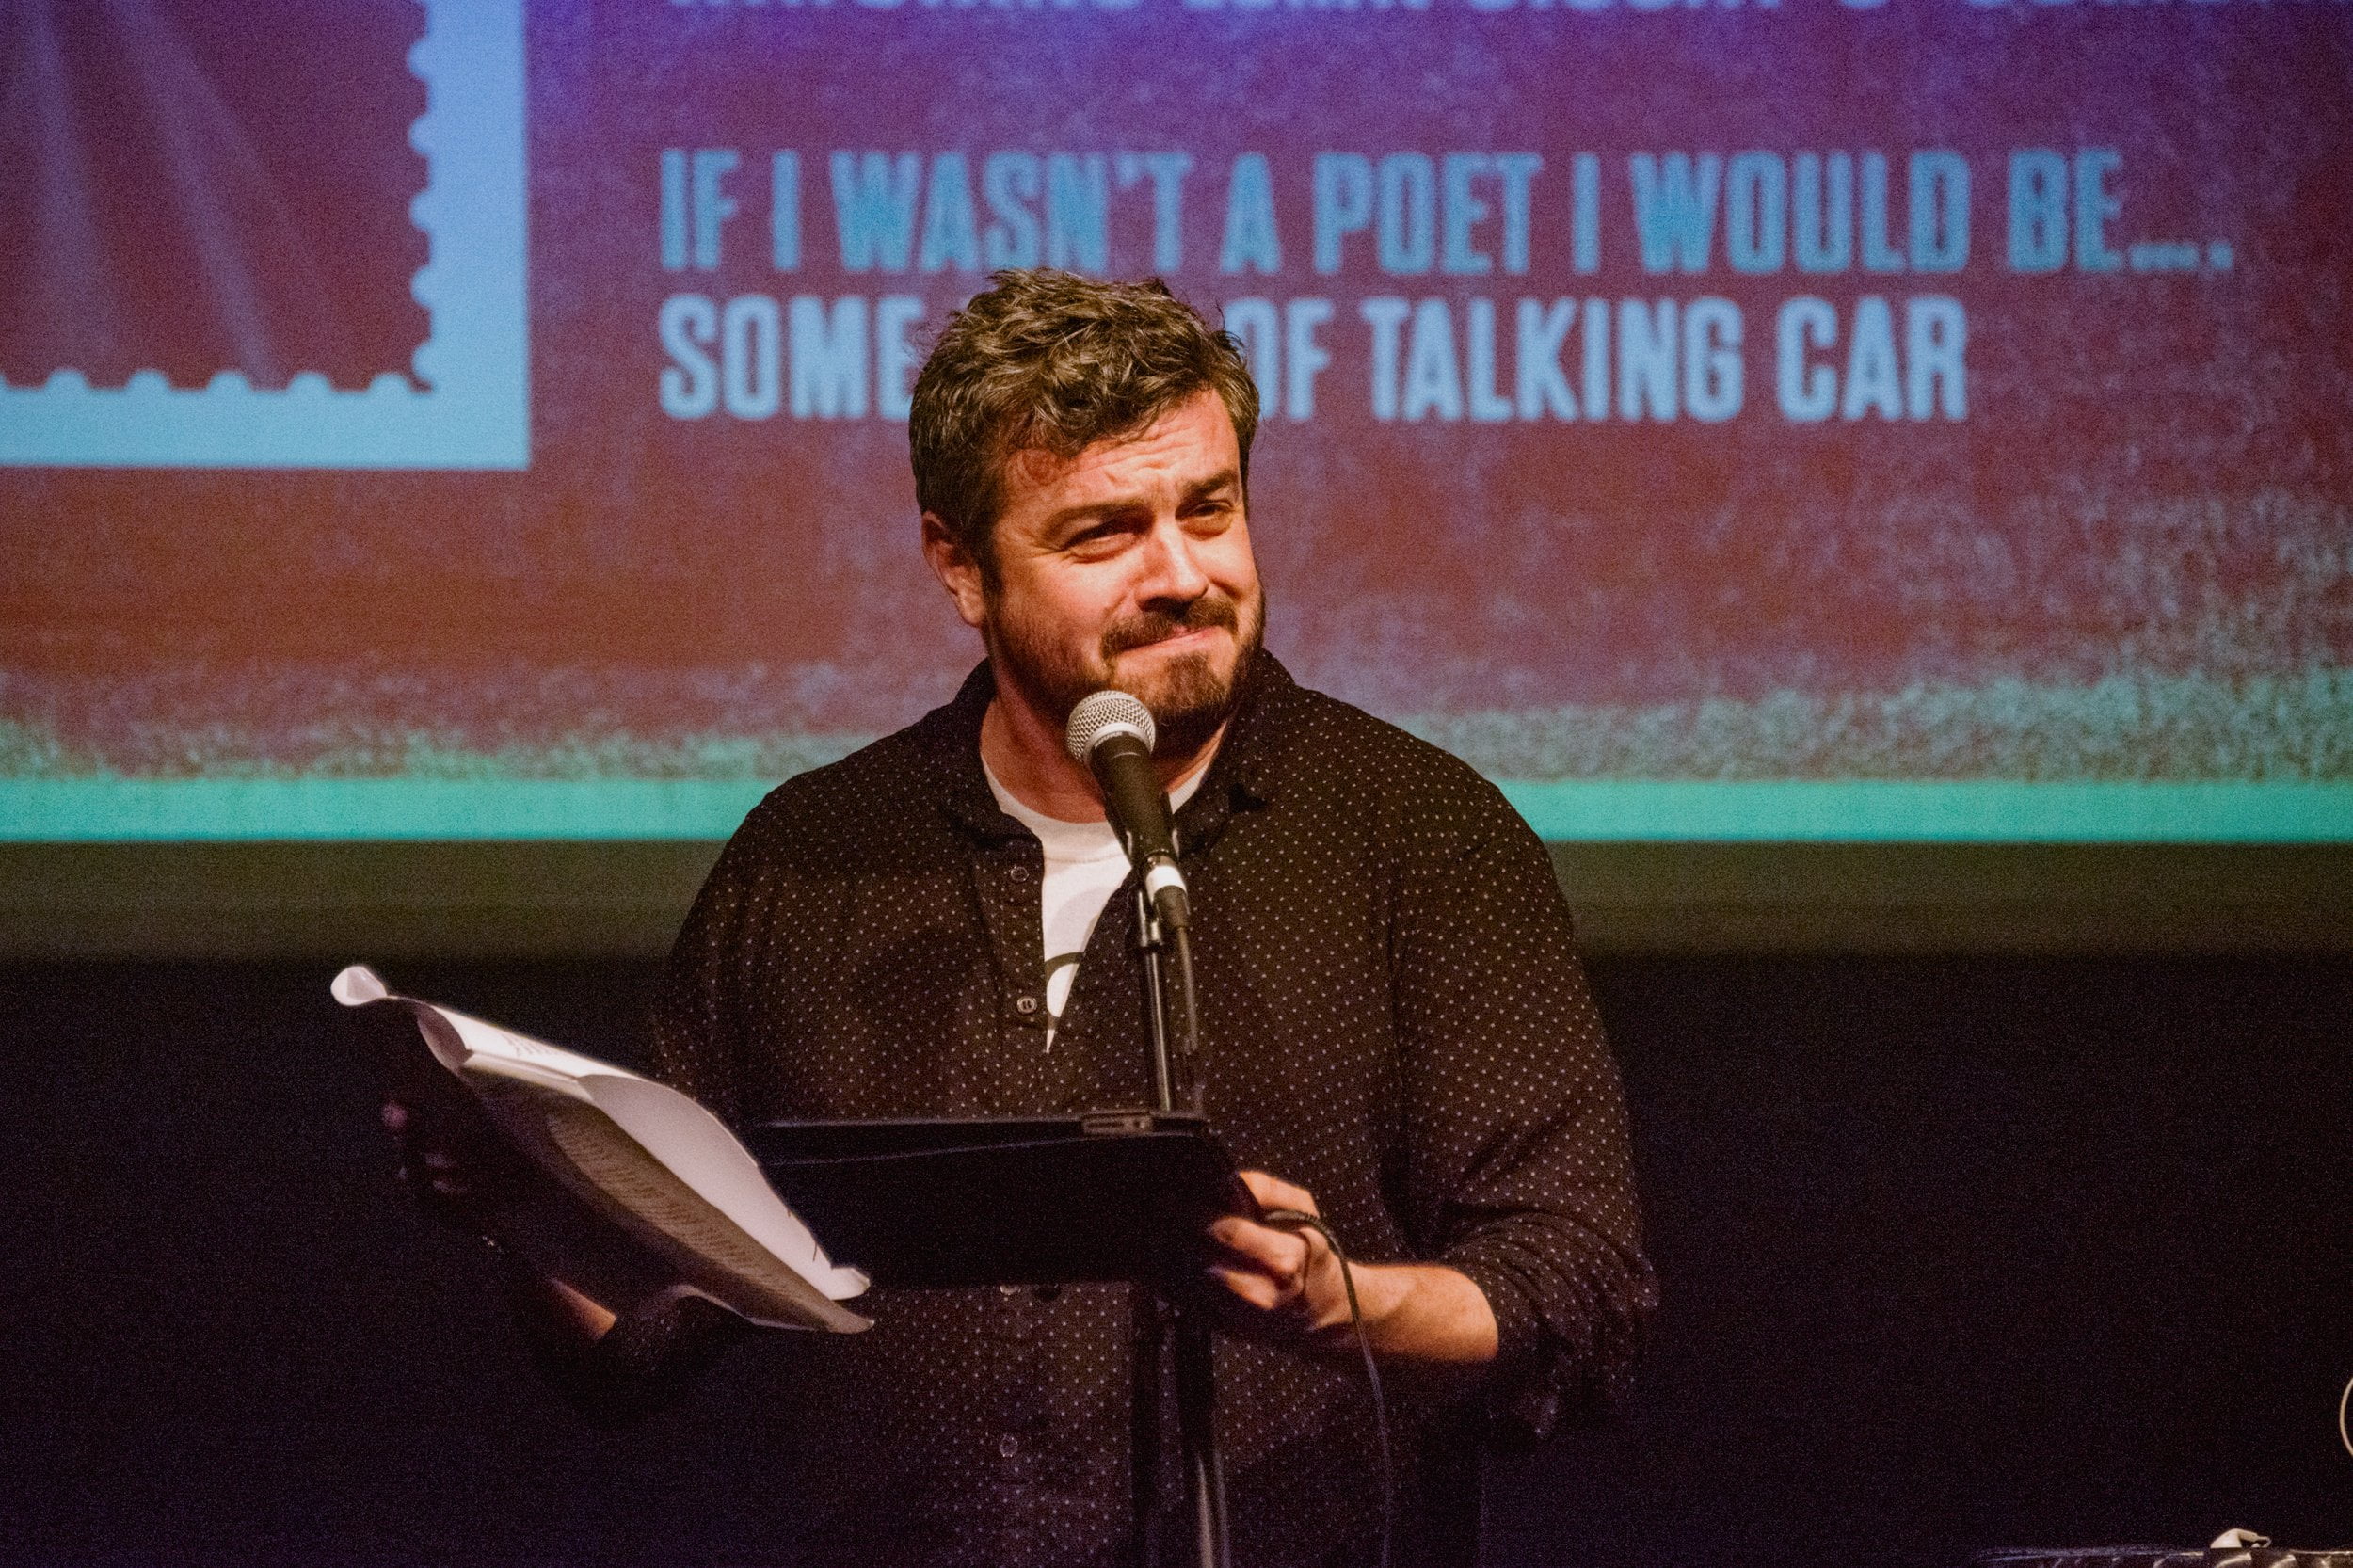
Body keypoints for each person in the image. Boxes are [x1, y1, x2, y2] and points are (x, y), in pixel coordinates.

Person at [392, 268, 1655, 1568]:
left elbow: (1578, 1280)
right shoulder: (814, 863)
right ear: (960, 563)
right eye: (1105, 533)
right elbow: (634, 1336)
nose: (1182, 574)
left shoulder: (1414, 836)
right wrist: (520, 1200)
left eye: (1209, 510)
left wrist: (1348, 1303)